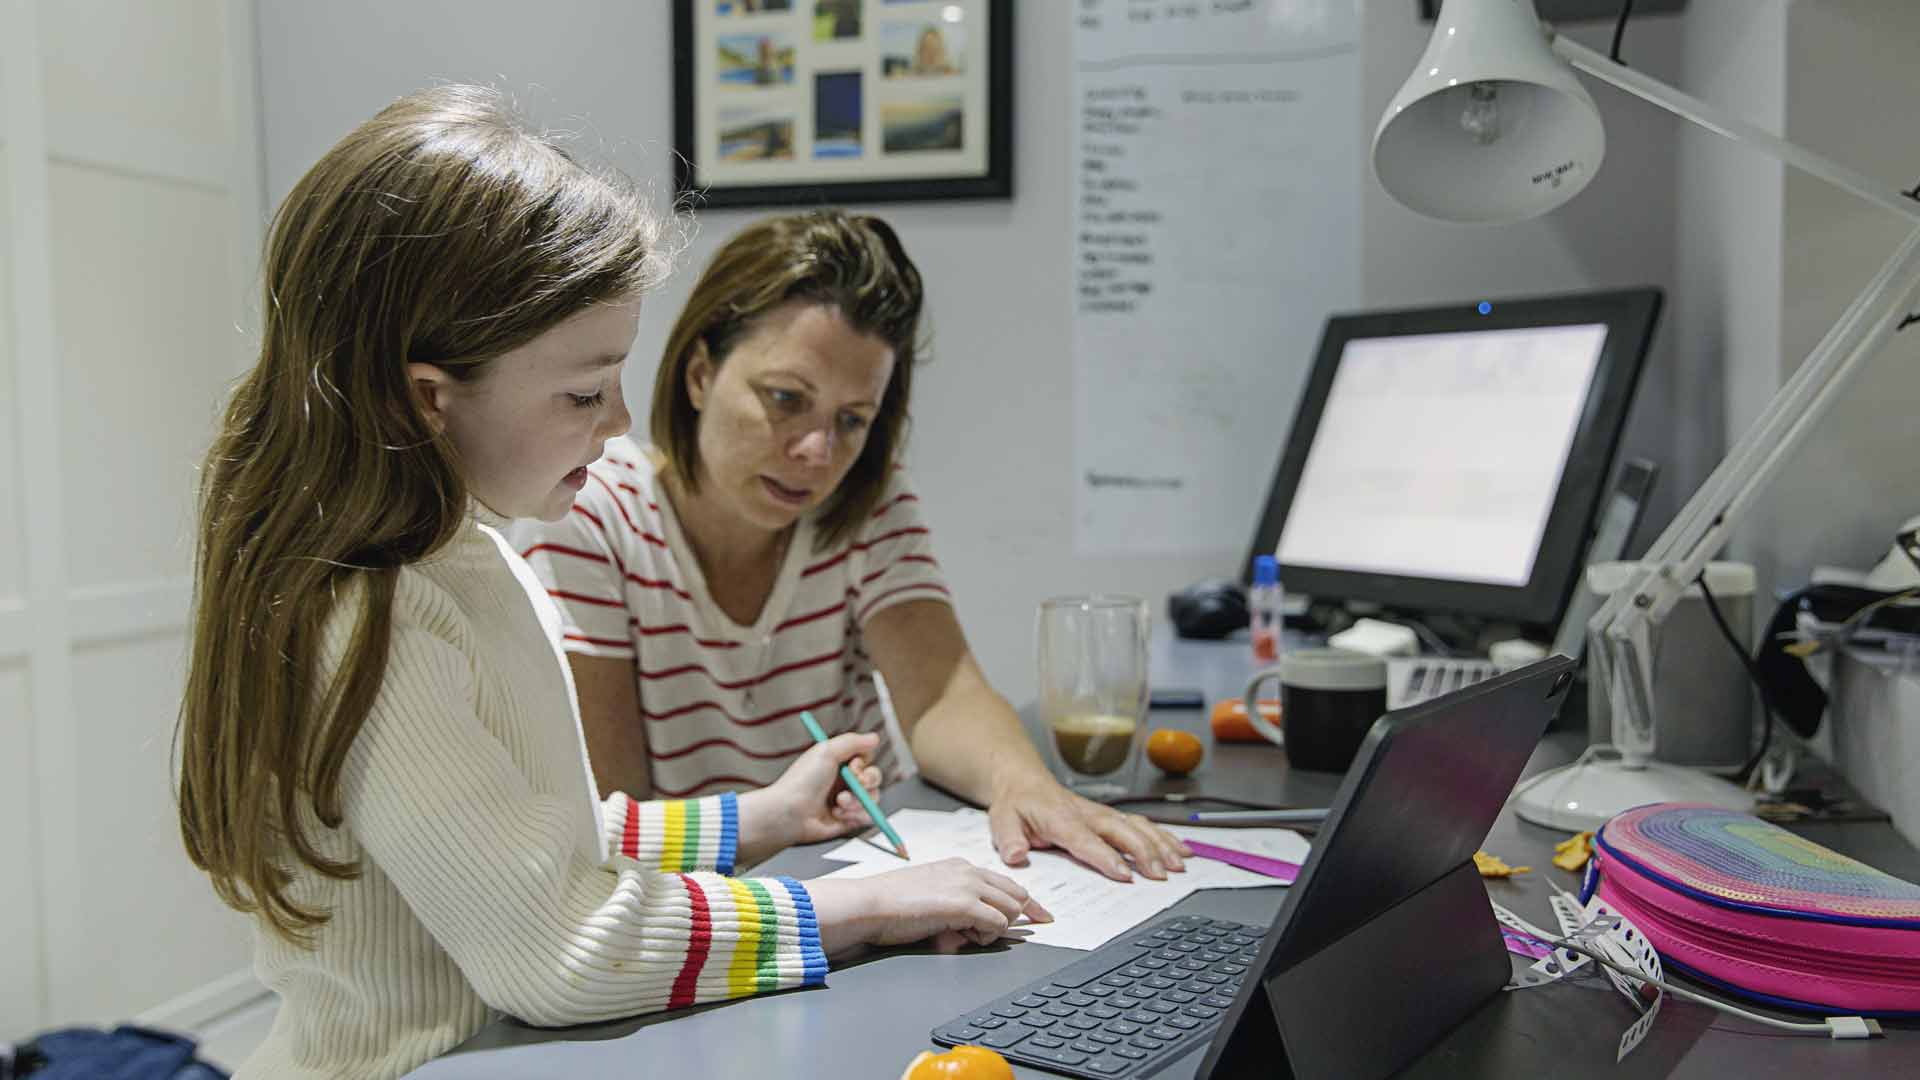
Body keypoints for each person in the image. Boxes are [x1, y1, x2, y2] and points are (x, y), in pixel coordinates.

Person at [173, 86, 1046, 1080]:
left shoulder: (466, 560)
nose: (619, 421)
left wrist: (756, 819)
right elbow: (558, 945)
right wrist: (859, 905)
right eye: (585, 390)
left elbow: (541, 834)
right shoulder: (372, 618)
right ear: (431, 399)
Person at [514, 210, 1192, 885]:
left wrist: (1027, 787)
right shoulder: (590, 511)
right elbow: (616, 814)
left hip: (870, 867)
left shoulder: (866, 498)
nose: (817, 453)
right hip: (708, 898)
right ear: (699, 374)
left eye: (852, 420)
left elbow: (938, 696)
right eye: (785, 399)